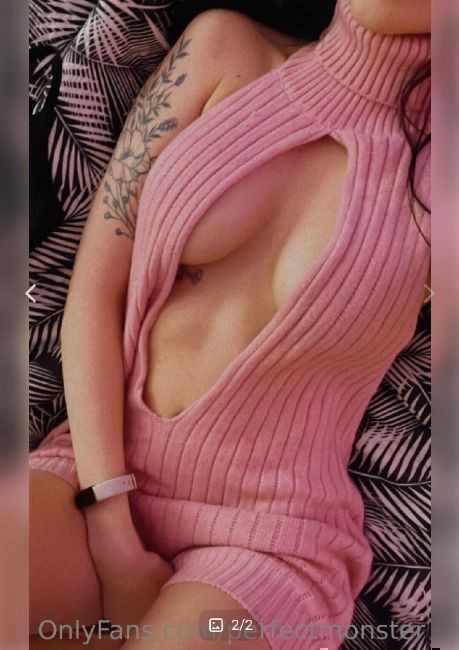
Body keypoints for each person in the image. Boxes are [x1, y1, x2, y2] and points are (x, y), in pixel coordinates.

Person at [29, 0, 431, 648]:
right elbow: (96, 293)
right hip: (94, 467)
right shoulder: (219, 48)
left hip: (271, 545)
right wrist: (112, 535)